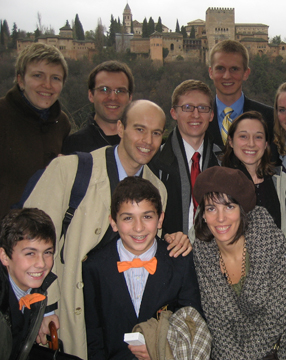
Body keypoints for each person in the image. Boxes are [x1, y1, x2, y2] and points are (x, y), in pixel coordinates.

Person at [24, 100, 192, 359]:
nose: (147, 140)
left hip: (113, 325)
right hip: (62, 311)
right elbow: (29, 239)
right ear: (120, 128)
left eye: (156, 132)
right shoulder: (71, 171)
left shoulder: (158, 188)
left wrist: (172, 239)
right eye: (139, 129)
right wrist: (44, 307)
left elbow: (142, 250)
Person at [193, 166, 286, 359]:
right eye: (211, 208)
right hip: (234, 349)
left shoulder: (270, 240)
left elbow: (276, 314)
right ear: (203, 214)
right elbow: (217, 322)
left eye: (229, 206)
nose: (220, 218)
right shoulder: (202, 253)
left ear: (242, 209)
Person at [83, 177, 202, 359]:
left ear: (160, 219)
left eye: (147, 217)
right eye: (128, 218)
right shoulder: (95, 266)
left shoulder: (180, 262)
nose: (138, 228)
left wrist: (162, 349)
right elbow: (94, 334)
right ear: (113, 222)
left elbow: (192, 324)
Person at [0, 43, 71, 220]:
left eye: (55, 78)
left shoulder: (61, 123)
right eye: (38, 75)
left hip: (42, 234)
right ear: (21, 80)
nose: (47, 85)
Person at [150, 80, 219, 236]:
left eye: (203, 108)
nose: (195, 114)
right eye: (187, 107)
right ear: (174, 113)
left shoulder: (223, 162)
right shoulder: (156, 163)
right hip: (170, 252)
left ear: (211, 115)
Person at [0, 208, 59, 360]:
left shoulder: (36, 291)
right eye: (30, 253)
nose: (41, 264)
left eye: (47, 252)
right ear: (5, 256)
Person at [222, 111, 286, 236]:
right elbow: (200, 229)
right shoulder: (218, 182)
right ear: (230, 141)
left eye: (258, 137)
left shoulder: (282, 181)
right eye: (243, 136)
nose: (251, 143)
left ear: (266, 144)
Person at [207, 40, 274, 151]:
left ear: (246, 73)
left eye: (234, 69)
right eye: (220, 68)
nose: (227, 76)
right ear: (211, 72)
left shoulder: (269, 118)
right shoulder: (199, 118)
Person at [62, 60, 134, 154]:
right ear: (91, 95)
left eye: (120, 91)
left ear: (130, 98)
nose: (113, 97)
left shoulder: (143, 145)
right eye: (104, 89)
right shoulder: (72, 146)